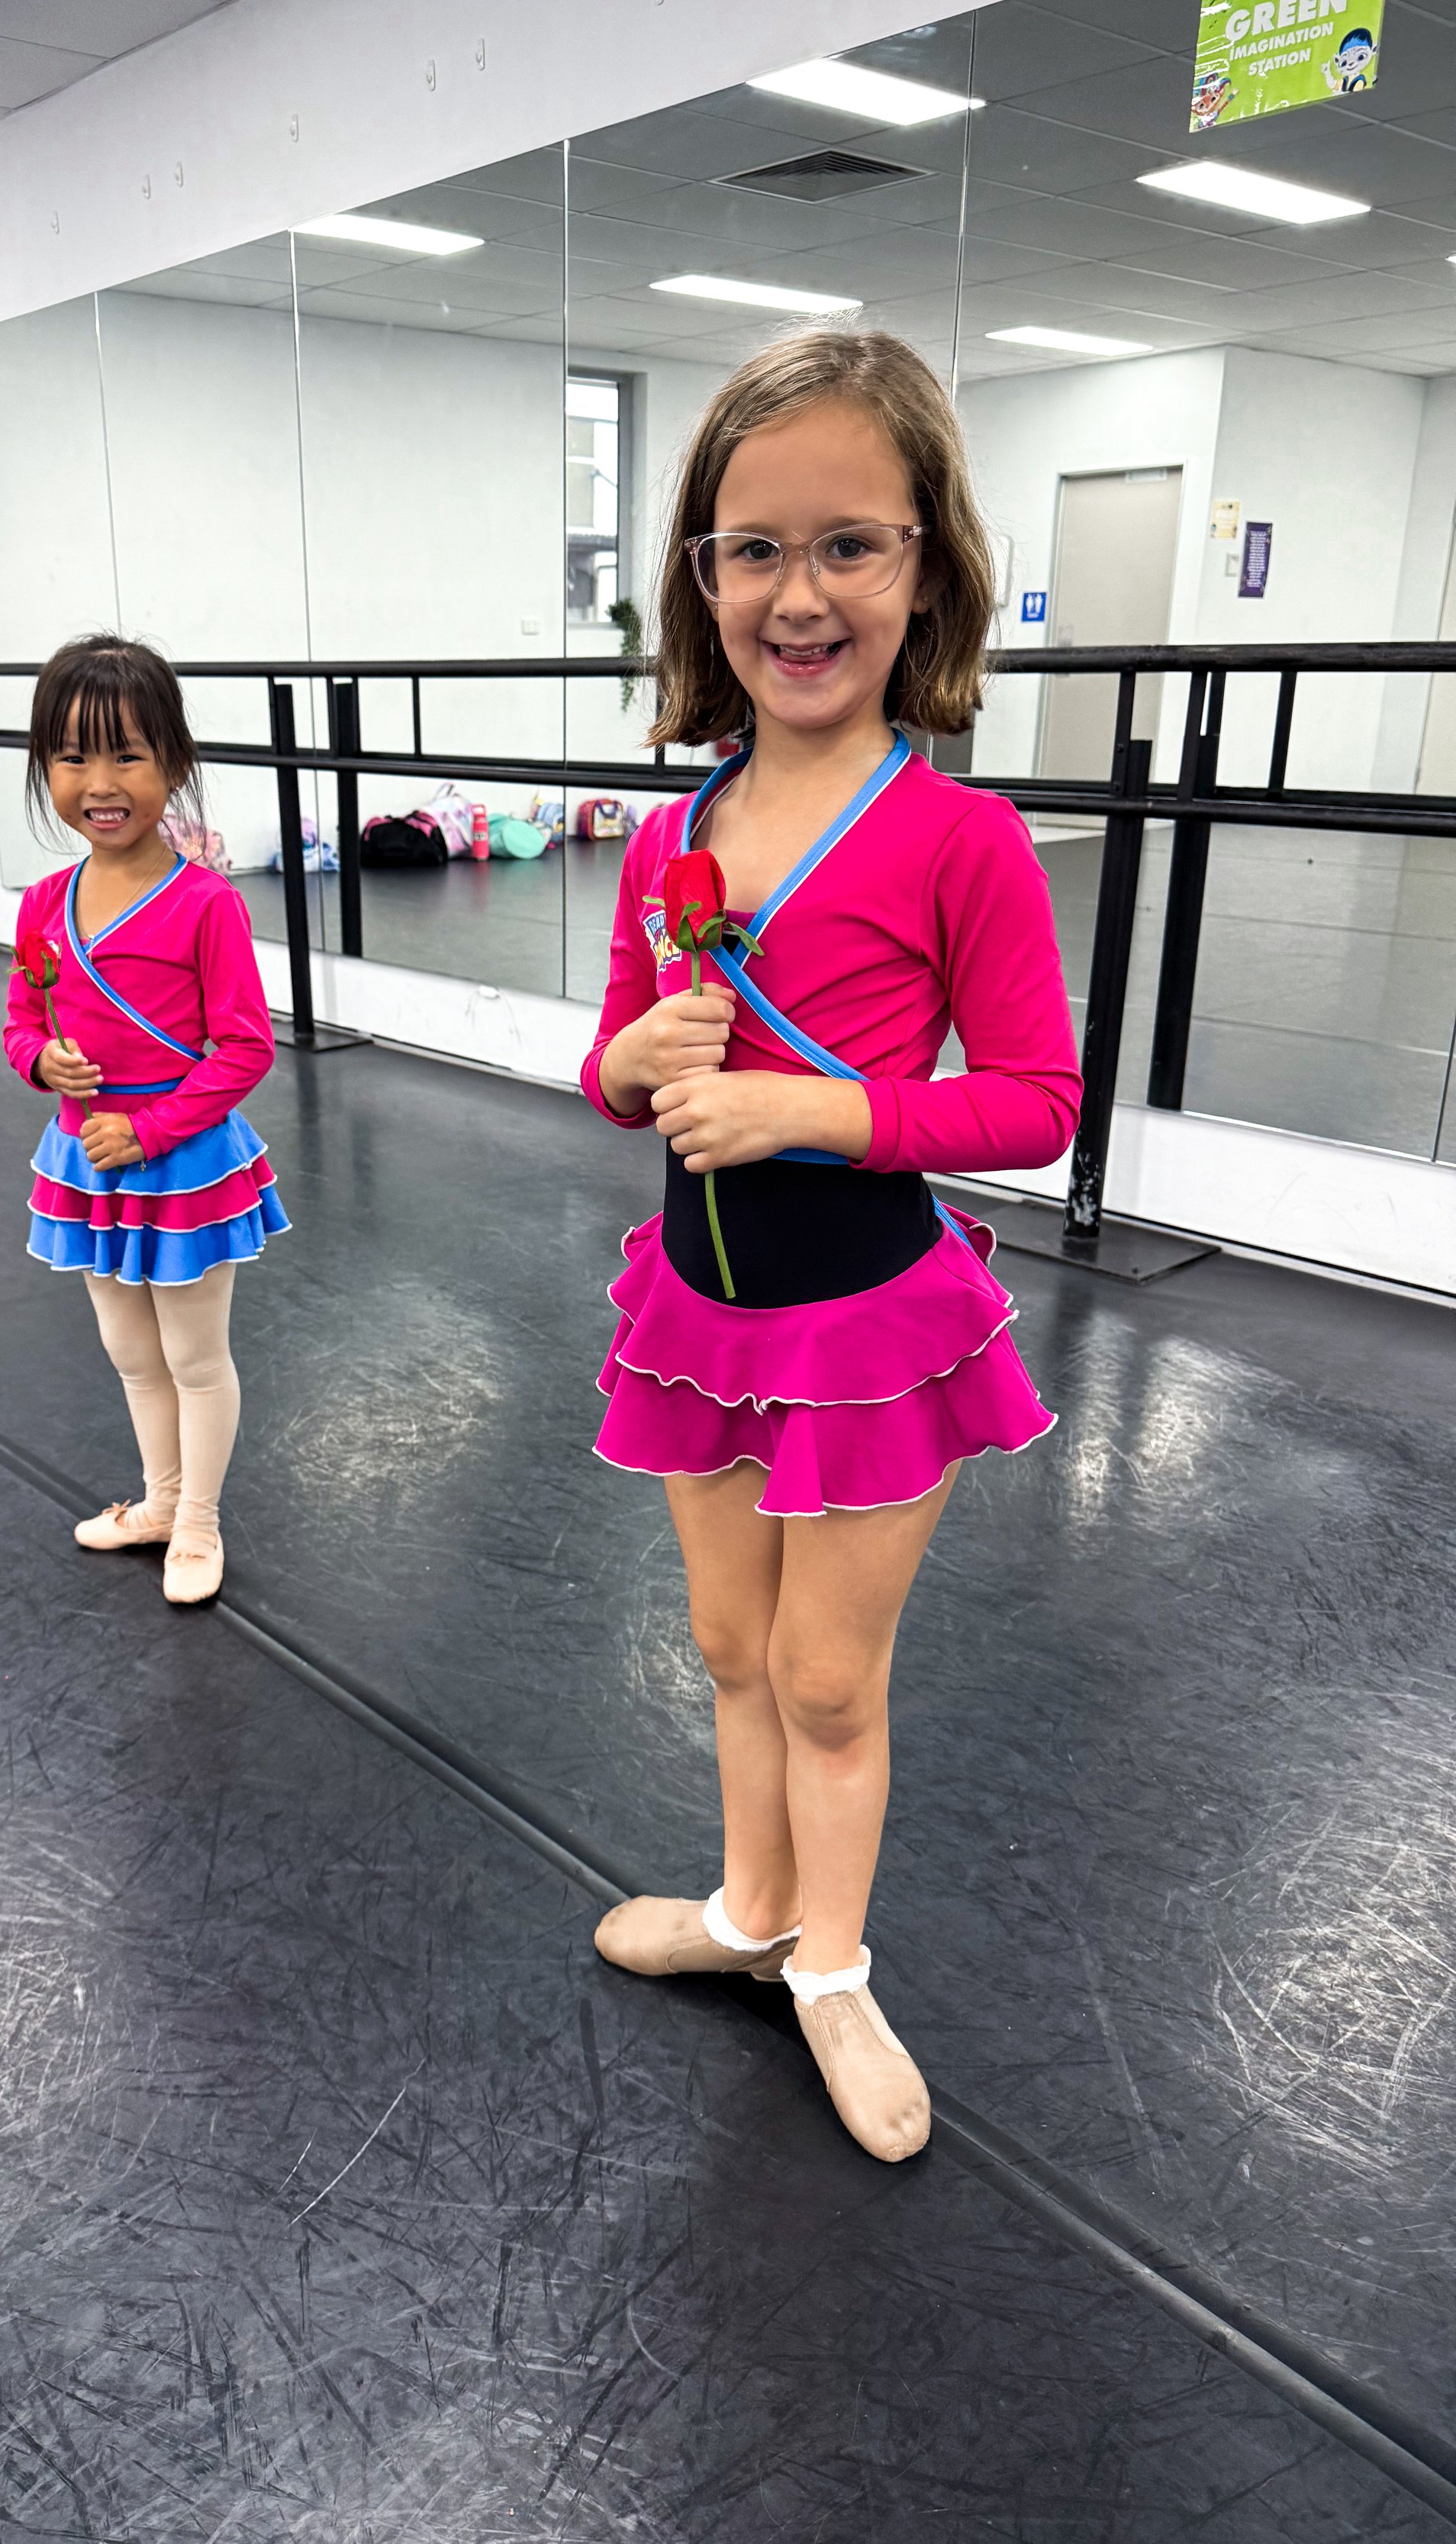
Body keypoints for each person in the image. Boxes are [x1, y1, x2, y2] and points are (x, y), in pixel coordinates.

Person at [582, 332, 1081, 2162]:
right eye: (754, 550)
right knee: (725, 1641)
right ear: (701, 579)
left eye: (848, 546)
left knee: (823, 1674)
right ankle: (746, 1909)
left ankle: (834, 1969)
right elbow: (621, 1064)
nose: (798, 595)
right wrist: (624, 1066)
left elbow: (1034, 1102)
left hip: (872, 1322)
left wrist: (816, 1111)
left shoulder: (961, 839)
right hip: (698, 1309)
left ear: (925, 568)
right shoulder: (679, 834)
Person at [3, 634, 288, 1607]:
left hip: (180, 1165)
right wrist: (41, 1060)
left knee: (193, 1356)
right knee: (130, 1353)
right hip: (87, 1161)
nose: (100, 781)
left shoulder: (204, 905)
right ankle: (161, 1501)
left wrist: (154, 1129)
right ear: (46, 767)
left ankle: (199, 1522)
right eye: (74, 756)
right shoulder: (44, 902)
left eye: (127, 754)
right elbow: (20, 1020)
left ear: (173, 763)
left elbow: (245, 1047)